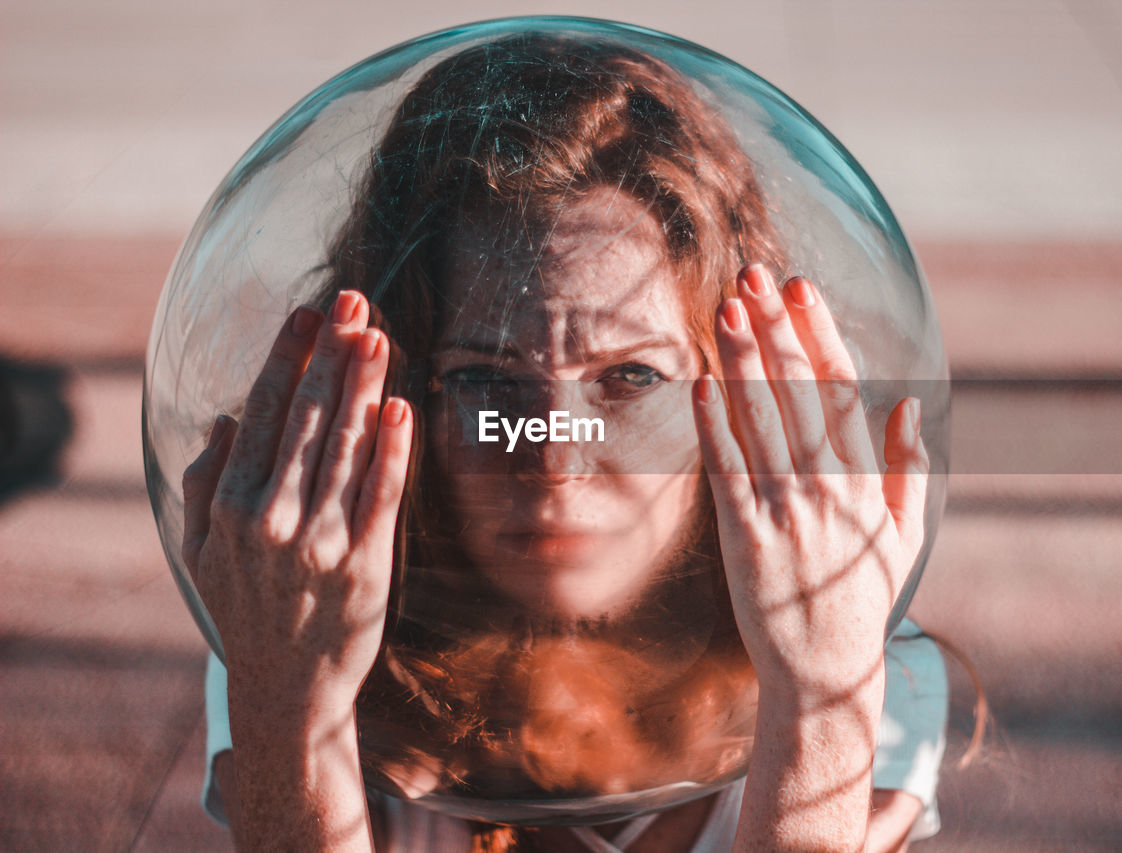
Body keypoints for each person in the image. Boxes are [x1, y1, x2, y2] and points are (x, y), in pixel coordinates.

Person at [181, 34, 945, 852]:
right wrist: (287, 705)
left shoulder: (863, 656)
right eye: (484, 378)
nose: (553, 459)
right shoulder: (289, 633)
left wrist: (825, 687)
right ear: (398, 394)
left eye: (630, 377)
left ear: (739, 398)